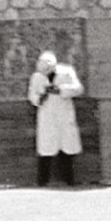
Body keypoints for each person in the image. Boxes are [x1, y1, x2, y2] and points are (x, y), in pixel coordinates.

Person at [28, 50, 84, 185]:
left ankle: (69, 180)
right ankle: (42, 181)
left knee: (67, 149)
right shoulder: (36, 77)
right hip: (47, 115)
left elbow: (78, 89)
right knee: (46, 150)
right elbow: (32, 95)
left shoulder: (67, 72)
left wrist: (60, 90)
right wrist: (40, 98)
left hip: (64, 114)